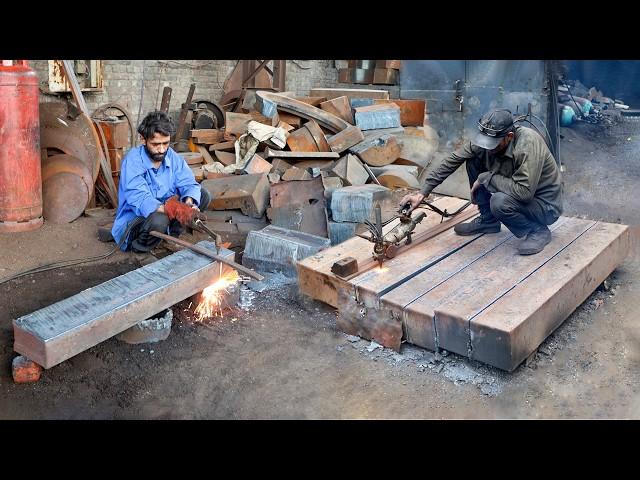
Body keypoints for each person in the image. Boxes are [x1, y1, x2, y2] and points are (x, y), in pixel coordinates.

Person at [400, 108, 563, 255]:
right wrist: (422, 193)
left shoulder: (528, 144)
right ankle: (488, 220)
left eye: (493, 144)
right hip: (518, 191)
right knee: (473, 160)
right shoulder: (488, 141)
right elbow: (452, 161)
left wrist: (485, 178)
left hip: (544, 206)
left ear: (509, 136)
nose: (487, 148)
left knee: (499, 202)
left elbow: (524, 192)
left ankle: (537, 230)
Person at [110, 111, 211, 252]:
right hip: (137, 219)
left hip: (165, 211)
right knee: (160, 219)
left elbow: (188, 183)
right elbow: (141, 199)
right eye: (156, 144)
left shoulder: (171, 156)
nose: (162, 149)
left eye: (166, 143)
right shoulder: (132, 161)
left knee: (202, 194)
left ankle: (170, 236)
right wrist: (174, 209)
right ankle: (140, 248)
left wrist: (188, 205)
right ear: (143, 139)